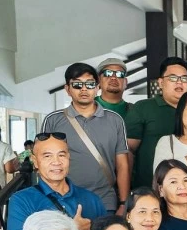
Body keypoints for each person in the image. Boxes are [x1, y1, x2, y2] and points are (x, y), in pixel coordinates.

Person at [8, 132, 106, 230]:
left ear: (68, 158)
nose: (56, 162)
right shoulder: (22, 200)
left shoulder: (91, 199)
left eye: (61, 155)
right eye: (47, 156)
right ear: (35, 161)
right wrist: (72, 229)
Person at [41, 62, 131, 213]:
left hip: (105, 201)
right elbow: (43, 163)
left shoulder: (115, 120)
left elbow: (122, 165)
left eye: (90, 84)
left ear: (97, 87)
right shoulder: (53, 120)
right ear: (67, 89)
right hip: (63, 202)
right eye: (77, 84)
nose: (84, 89)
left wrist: (123, 204)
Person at [125, 57, 187, 190]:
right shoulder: (143, 108)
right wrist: (126, 192)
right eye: (173, 78)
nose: (179, 82)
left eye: (184, 78)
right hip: (149, 190)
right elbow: (128, 151)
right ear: (161, 83)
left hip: (186, 190)